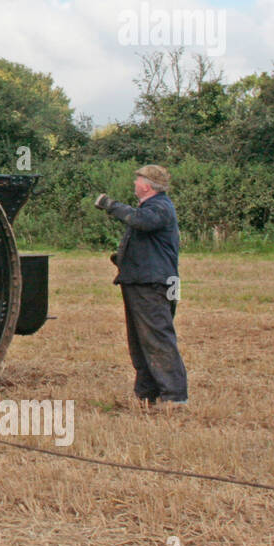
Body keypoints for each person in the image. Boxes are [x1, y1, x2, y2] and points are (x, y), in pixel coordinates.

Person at [93, 164, 189, 409]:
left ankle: (175, 397)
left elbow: (141, 221)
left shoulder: (159, 208)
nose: (134, 183)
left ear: (147, 184)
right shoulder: (156, 207)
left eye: (137, 180)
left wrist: (110, 205)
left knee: (157, 339)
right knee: (141, 341)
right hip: (147, 282)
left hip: (152, 285)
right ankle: (147, 395)